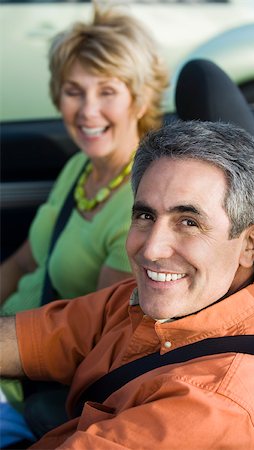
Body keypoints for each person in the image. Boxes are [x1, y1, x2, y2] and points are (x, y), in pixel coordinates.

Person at [1, 121, 254, 449]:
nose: (152, 249)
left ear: (250, 244)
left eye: (188, 222)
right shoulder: (147, 301)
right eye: (145, 216)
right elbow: (34, 338)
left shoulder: (216, 406)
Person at [0, 4, 168, 447]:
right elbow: (21, 263)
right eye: (74, 91)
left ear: (141, 97)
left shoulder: (143, 201)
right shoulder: (80, 166)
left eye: (107, 91)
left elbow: (92, 336)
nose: (87, 111)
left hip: (24, 383)